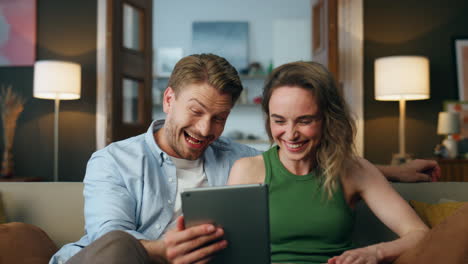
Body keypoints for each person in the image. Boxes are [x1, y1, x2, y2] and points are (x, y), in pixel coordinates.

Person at [49, 54, 439, 264]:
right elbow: (109, 240)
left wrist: (392, 171)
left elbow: (304, 158)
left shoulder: (239, 160)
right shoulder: (113, 160)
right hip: (124, 263)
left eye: (219, 118)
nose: (205, 129)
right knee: (118, 247)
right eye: (196, 111)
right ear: (169, 100)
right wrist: (166, 250)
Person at [227, 61, 429, 264]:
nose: (290, 134)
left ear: (328, 118)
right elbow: (230, 251)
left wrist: (375, 253)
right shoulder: (247, 171)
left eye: (304, 121)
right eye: (279, 121)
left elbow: (419, 233)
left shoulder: (354, 170)